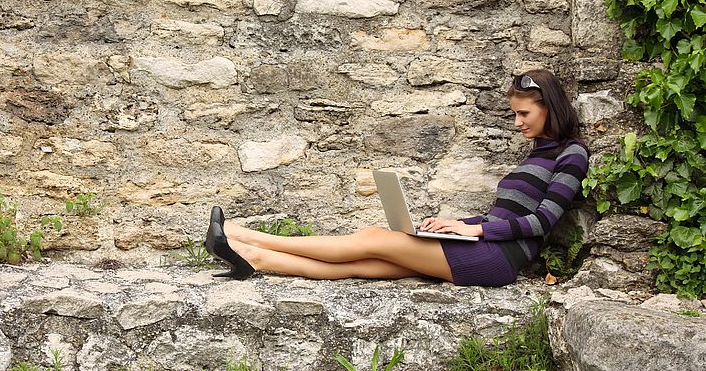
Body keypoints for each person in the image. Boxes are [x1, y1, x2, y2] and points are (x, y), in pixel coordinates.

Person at [205, 68, 590, 287]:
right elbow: (499, 218)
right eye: (515, 114)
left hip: (498, 260)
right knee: (361, 264)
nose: (517, 122)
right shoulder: (536, 155)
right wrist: (456, 225)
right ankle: (253, 259)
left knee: (373, 238)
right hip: (486, 245)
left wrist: (474, 231)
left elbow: (542, 222)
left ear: (549, 108)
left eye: (524, 114)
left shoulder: (571, 154)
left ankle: (243, 236)